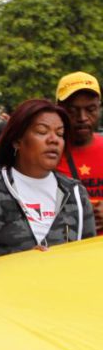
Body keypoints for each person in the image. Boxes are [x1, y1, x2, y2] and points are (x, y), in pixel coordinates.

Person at [0, 99, 95, 264]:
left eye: (60, 134)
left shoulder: (75, 191)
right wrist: (23, 260)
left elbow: (89, 252)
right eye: (42, 131)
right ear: (17, 140)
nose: (54, 140)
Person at [55, 71, 103, 233]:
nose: (82, 117)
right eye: (73, 110)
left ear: (99, 108)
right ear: (59, 110)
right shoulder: (46, 155)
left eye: (90, 109)